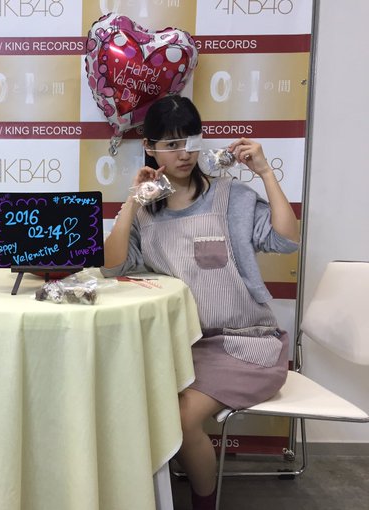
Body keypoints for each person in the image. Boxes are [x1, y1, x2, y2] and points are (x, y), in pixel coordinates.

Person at [101, 95, 299, 510]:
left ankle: (203, 503)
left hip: (246, 346)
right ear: (150, 148)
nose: (184, 153)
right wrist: (132, 200)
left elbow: (285, 239)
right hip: (180, 347)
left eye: (190, 140)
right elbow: (112, 266)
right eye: (171, 144)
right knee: (124, 400)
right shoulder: (146, 213)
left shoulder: (232, 197)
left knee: (180, 417)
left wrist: (265, 172)